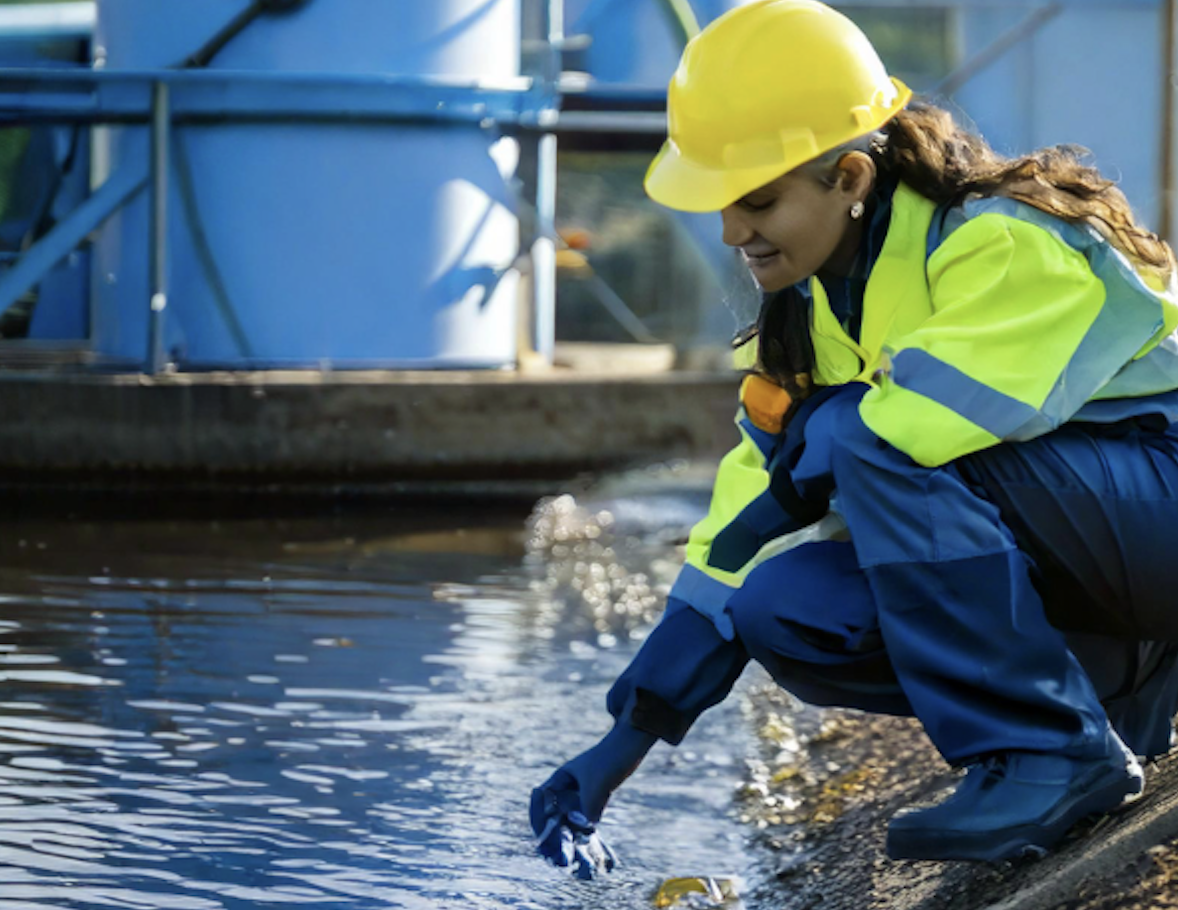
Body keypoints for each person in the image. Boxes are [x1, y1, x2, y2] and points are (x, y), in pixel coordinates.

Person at [530, 0, 1178, 873]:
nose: (732, 231)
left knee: (872, 441)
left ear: (850, 178)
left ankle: (1050, 752)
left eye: (757, 200)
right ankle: (1101, 706)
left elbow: (915, 426)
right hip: (1103, 548)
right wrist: (623, 743)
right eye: (723, 204)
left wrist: (820, 447)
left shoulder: (1002, 244)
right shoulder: (810, 318)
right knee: (782, 608)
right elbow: (744, 521)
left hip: (1159, 507)